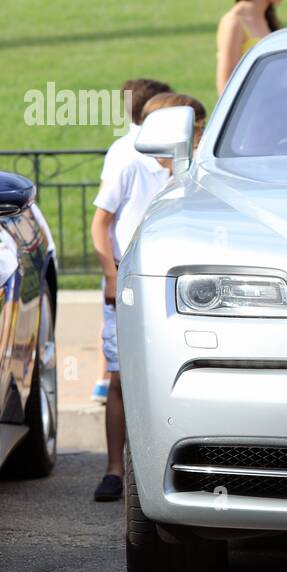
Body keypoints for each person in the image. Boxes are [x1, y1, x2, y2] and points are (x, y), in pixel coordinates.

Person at [89, 92, 207, 501]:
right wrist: (110, 275)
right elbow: (101, 223)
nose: (197, 138)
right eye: (191, 130)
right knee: (121, 377)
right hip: (129, 281)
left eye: (200, 129)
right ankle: (114, 469)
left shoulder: (199, 169)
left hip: (181, 287)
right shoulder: (129, 163)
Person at [93, 77, 170, 404]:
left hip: (134, 265)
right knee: (121, 345)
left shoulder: (123, 148)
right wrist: (111, 272)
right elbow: (103, 217)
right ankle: (108, 378)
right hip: (123, 265)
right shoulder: (129, 154)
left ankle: (106, 377)